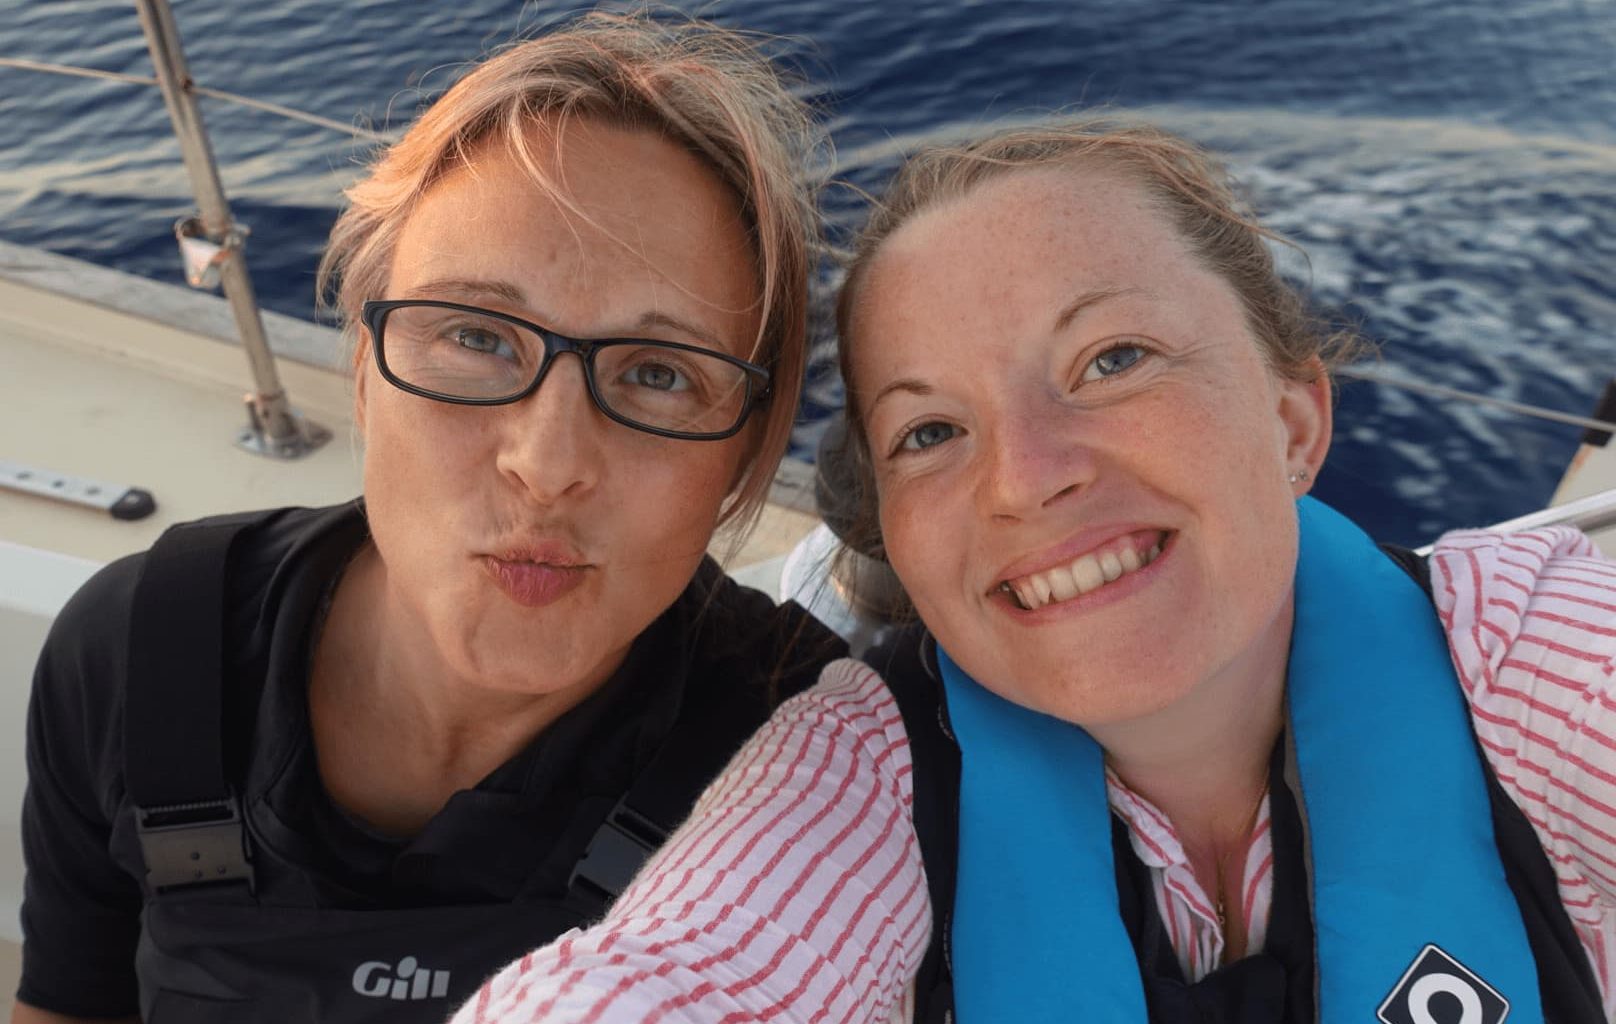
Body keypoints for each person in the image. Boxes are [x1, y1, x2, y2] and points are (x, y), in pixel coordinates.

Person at [454, 120, 1616, 1024]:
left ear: (1291, 418)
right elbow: (680, 973)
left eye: (1111, 358)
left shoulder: (1524, 655)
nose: (1023, 478)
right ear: (891, 530)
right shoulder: (862, 774)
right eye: (929, 432)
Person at [12, 12, 844, 1023]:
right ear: (362, 372)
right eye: (476, 336)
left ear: (742, 455)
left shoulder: (810, 767)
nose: (546, 465)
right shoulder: (146, 651)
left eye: (659, 373)